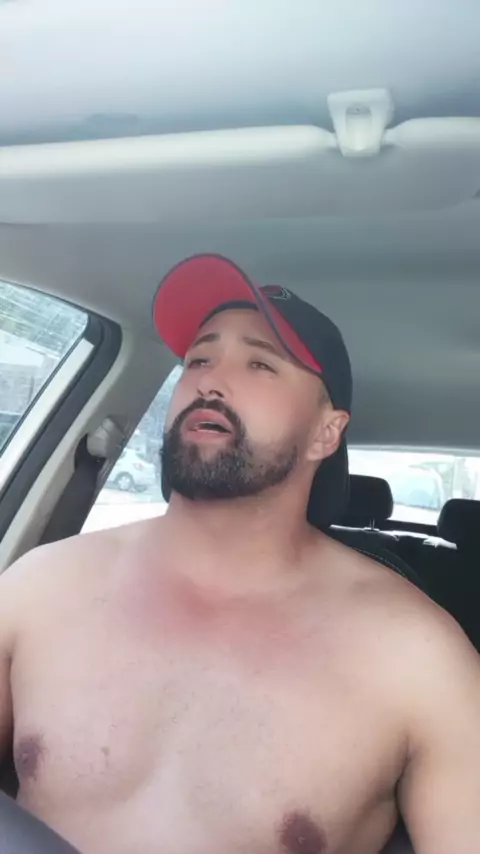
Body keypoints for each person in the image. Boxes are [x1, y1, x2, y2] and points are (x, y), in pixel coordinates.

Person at [0, 254, 479, 854]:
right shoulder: (41, 587)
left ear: (327, 432)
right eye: (198, 359)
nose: (210, 381)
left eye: (260, 363)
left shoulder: (419, 656)